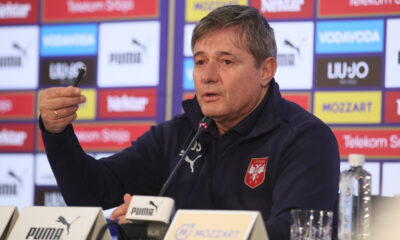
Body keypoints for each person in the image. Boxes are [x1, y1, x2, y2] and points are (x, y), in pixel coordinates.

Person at [38, 5, 339, 240]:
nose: (207, 76)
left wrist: (171, 230)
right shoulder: (179, 135)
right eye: (199, 61)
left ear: (265, 70)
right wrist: (57, 133)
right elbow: (90, 192)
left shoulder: (306, 139)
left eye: (226, 61)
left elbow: (294, 232)